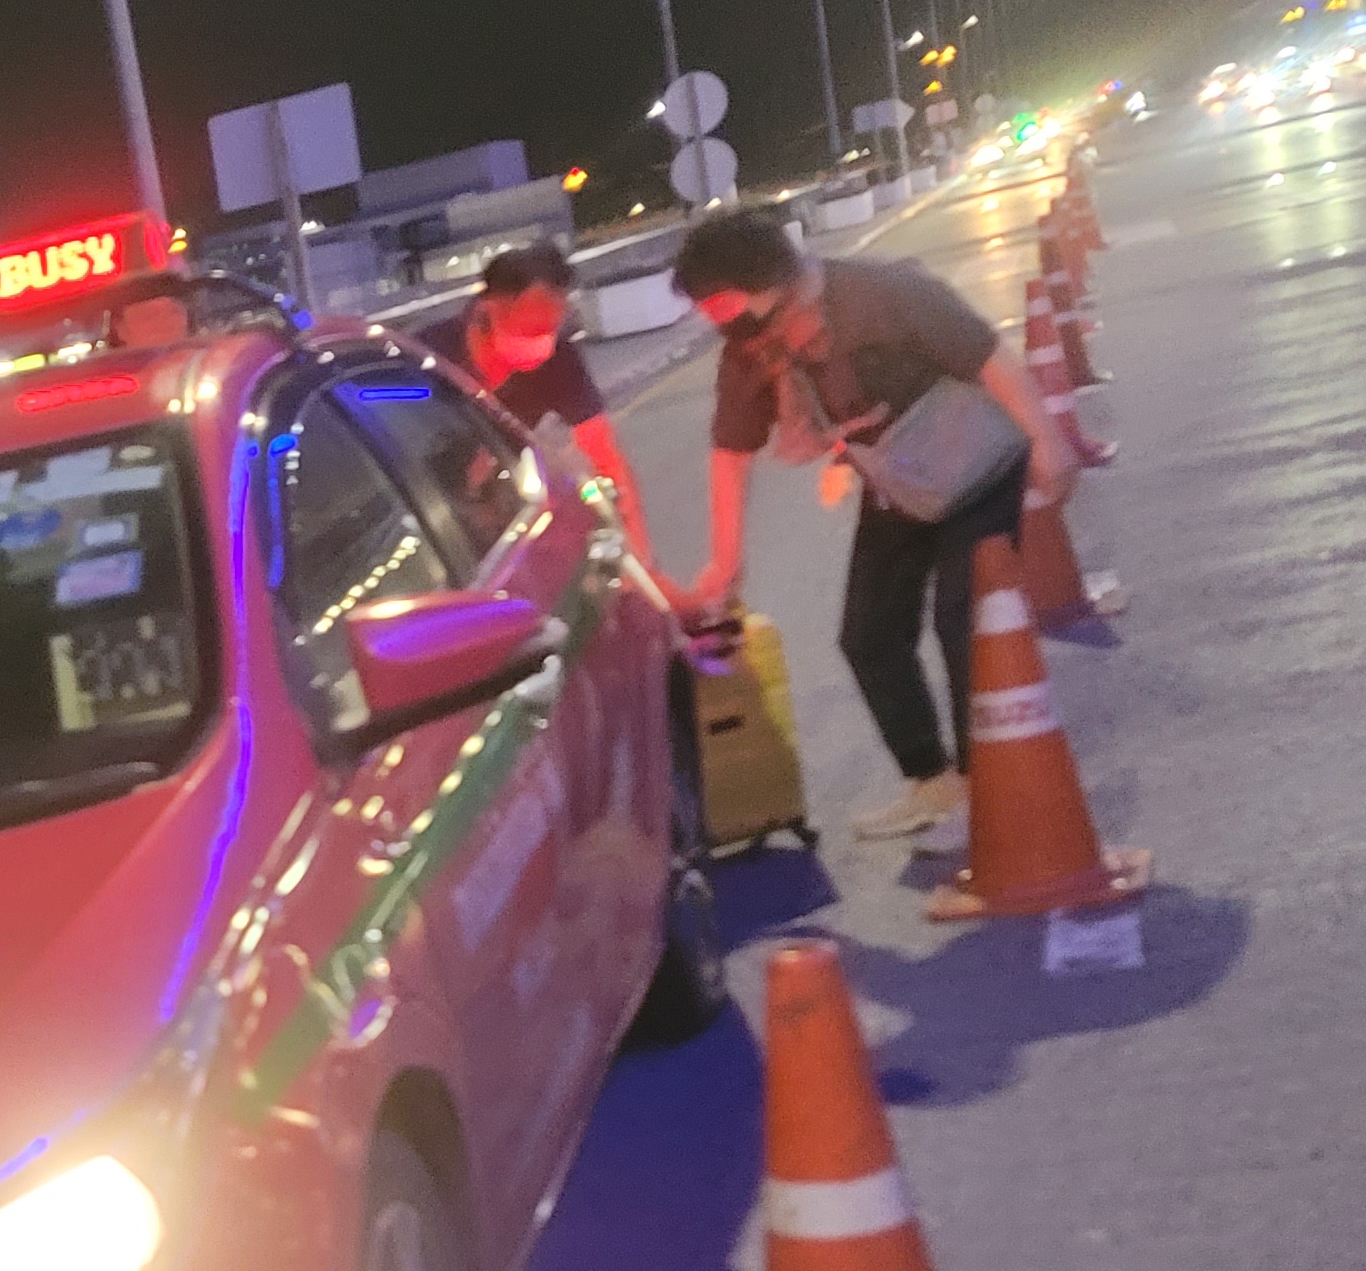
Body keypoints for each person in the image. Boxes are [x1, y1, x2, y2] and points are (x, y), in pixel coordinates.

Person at [668, 208, 1074, 845]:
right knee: (868, 636)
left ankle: (991, 777)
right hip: (898, 482)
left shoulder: (882, 292)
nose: (717, 323)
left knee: (963, 621)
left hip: (977, 466)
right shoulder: (750, 351)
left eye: (720, 304)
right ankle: (933, 780)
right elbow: (731, 451)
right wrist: (726, 559)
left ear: (770, 281)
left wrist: (1046, 441)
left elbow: (987, 356)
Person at [419, 242, 661, 585]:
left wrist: (638, 556)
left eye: (552, 323)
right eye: (531, 321)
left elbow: (604, 455)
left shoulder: (558, 361)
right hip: (433, 518)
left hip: (511, 511)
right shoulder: (427, 359)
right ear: (489, 307)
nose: (543, 338)